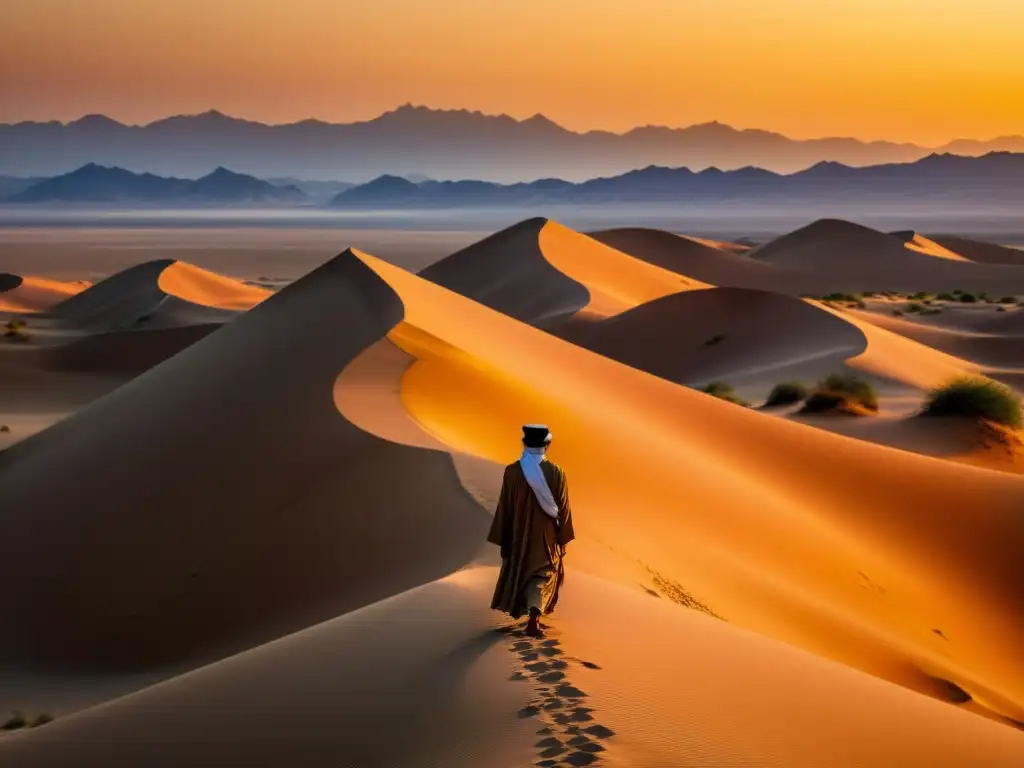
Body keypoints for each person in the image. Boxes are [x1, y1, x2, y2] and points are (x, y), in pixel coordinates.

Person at [487, 424, 575, 637]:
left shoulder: (512, 472)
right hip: (547, 536)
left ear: (525, 444)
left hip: (518, 534)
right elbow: (563, 508)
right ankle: (534, 617)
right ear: (547, 445)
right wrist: (563, 538)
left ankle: (530, 616)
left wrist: (504, 537)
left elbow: (505, 507)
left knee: (522, 572)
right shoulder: (557, 473)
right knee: (543, 574)